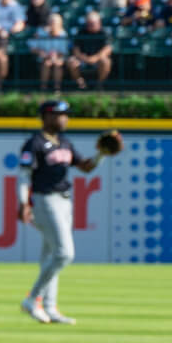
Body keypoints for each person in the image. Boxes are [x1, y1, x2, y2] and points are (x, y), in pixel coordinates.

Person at [19, 100, 108, 324]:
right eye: (60, 114)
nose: (65, 118)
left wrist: (101, 154)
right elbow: (24, 175)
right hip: (44, 200)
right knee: (65, 253)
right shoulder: (34, 144)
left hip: (65, 201)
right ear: (46, 117)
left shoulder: (65, 143)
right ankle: (33, 298)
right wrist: (23, 203)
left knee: (50, 256)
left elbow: (86, 167)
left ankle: (50, 308)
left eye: (66, 114)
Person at [67, 10, 112, 85]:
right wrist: (84, 58)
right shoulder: (81, 32)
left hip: (98, 59)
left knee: (106, 62)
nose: (90, 25)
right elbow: (75, 49)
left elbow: (107, 49)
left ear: (99, 23)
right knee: (71, 61)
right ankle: (80, 84)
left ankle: (99, 85)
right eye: (88, 23)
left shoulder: (104, 32)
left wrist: (94, 58)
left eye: (92, 23)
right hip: (82, 59)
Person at [31, 11, 70, 86]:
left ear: (60, 24)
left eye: (55, 23)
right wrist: (42, 53)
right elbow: (33, 47)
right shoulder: (41, 32)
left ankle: (57, 89)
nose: (53, 24)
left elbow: (63, 52)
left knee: (57, 64)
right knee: (46, 63)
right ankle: (43, 88)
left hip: (58, 58)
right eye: (51, 22)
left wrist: (55, 57)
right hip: (44, 58)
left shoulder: (63, 34)